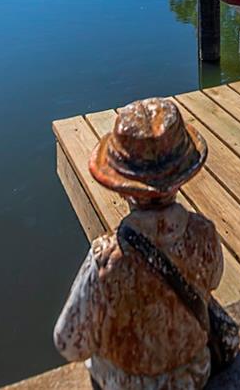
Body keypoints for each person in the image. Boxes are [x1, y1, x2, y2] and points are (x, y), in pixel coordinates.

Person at [54, 98, 224, 390]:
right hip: (194, 374)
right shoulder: (204, 233)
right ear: (183, 177)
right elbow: (215, 280)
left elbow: (69, 343)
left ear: (121, 189)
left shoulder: (106, 258)